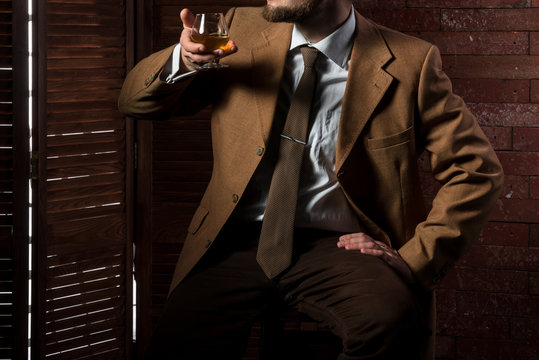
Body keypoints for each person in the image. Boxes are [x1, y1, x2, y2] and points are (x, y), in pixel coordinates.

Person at [119, 0, 503, 358]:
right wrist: (184, 60)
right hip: (234, 240)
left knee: (393, 321)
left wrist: (414, 258)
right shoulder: (238, 28)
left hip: (340, 245)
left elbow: (476, 170)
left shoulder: (410, 61)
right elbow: (134, 102)